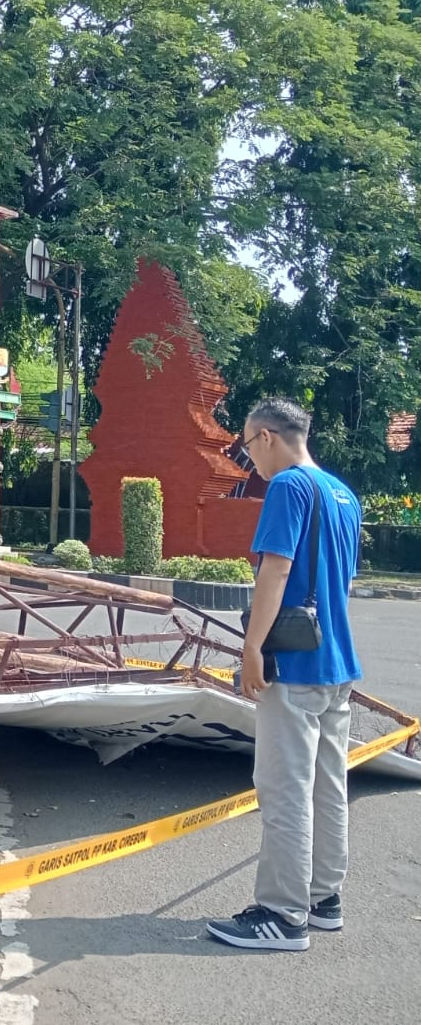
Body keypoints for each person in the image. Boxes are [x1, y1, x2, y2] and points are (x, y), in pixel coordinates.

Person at [207, 398, 362, 952]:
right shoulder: (343, 494)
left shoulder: (288, 488)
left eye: (247, 449)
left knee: (284, 788)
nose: (251, 462)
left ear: (268, 436)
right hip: (336, 663)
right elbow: (338, 583)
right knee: (327, 786)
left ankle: (281, 913)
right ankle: (323, 899)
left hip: (293, 667)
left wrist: (252, 649)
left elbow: (276, 569)